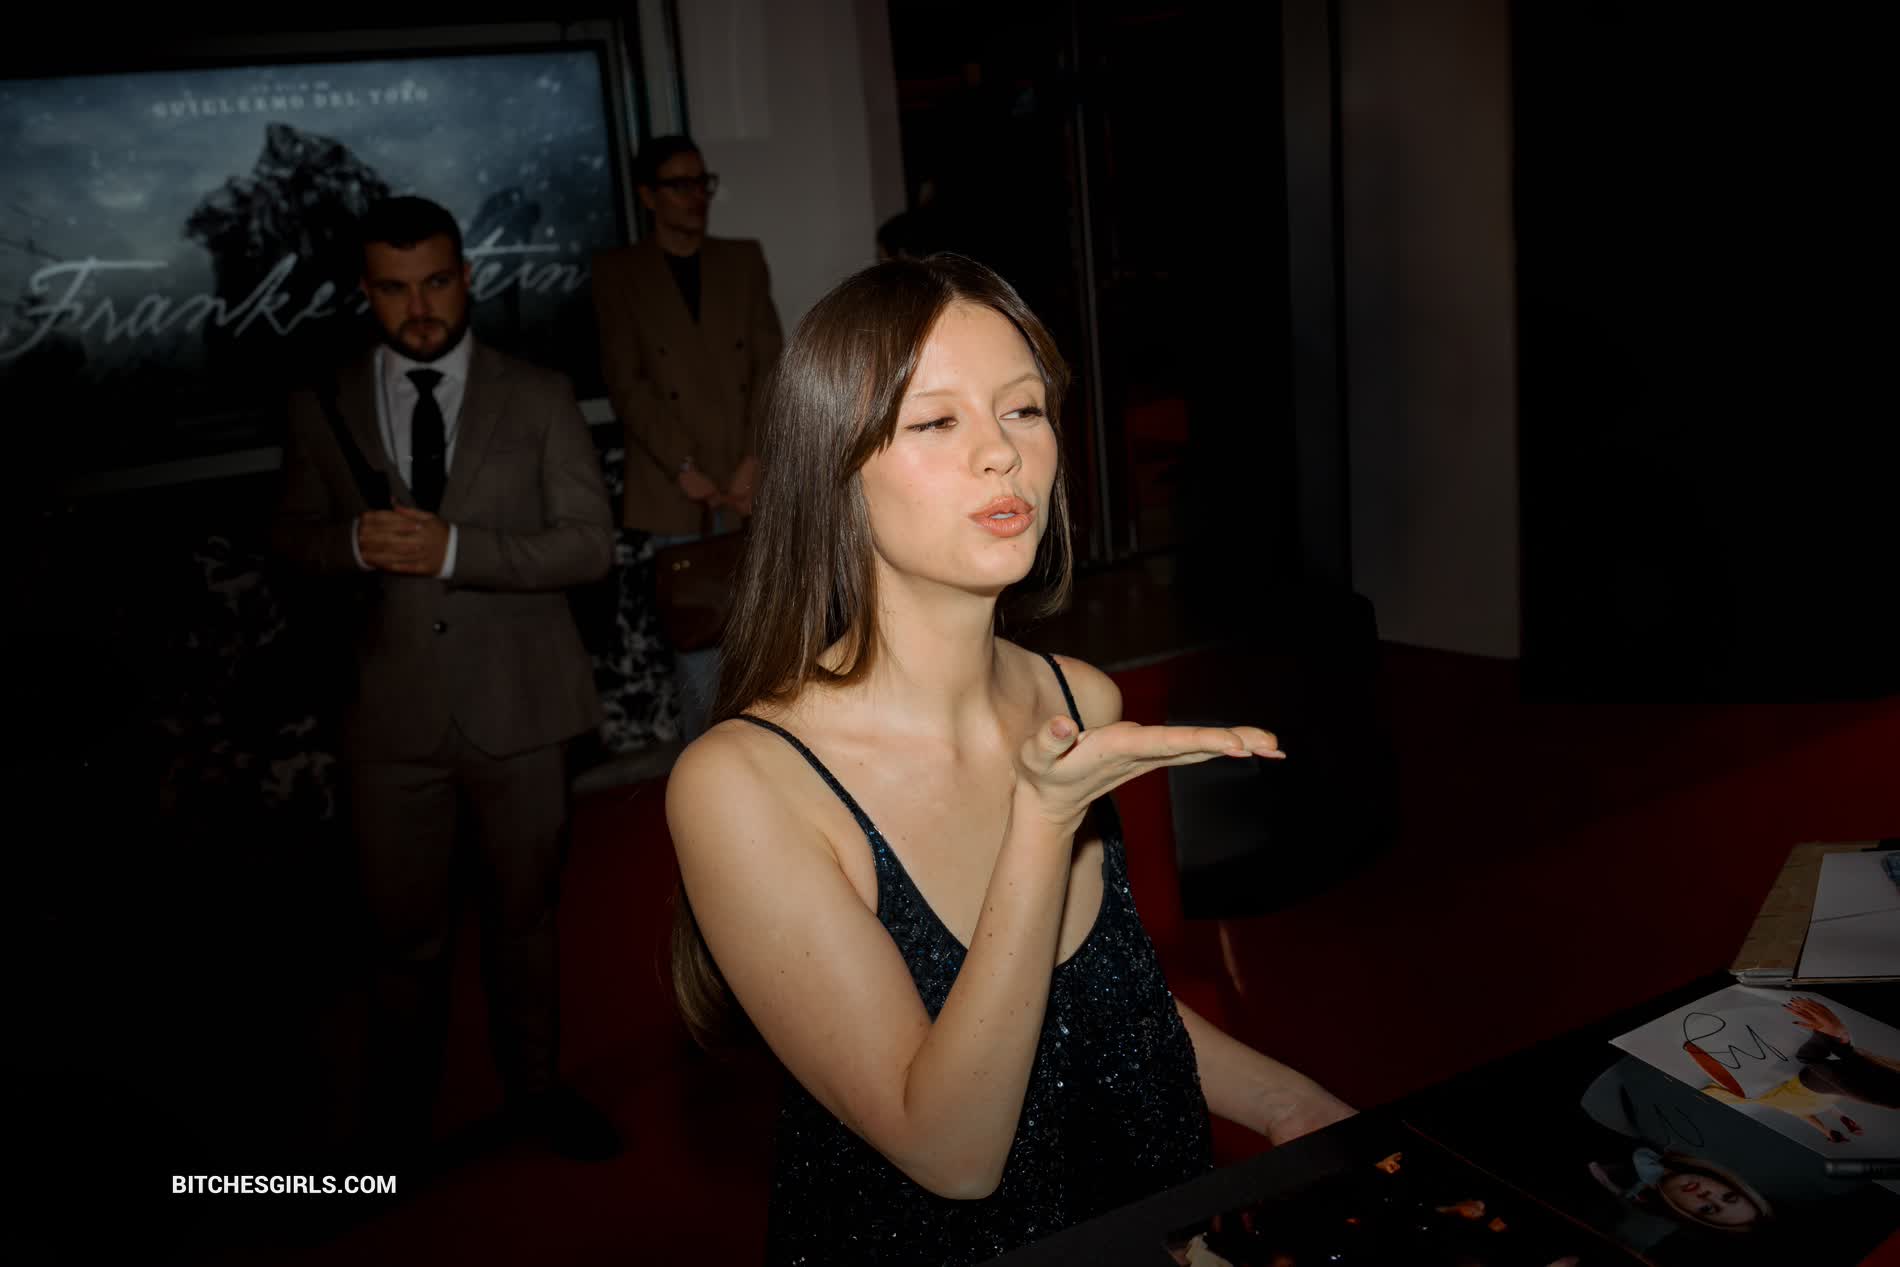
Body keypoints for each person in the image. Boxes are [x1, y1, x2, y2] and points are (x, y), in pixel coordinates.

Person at [666, 255, 1352, 1265]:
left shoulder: (1079, 700)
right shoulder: (745, 781)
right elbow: (950, 1152)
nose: (1001, 453)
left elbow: (1102, 1004)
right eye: (936, 421)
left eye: (1023, 409)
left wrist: (1290, 1102)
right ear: (833, 470)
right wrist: (1041, 818)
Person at [272, 195, 620, 1166]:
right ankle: (399, 1128)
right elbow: (288, 542)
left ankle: (536, 1093)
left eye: (434, 282)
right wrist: (350, 543)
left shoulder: (540, 392)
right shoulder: (320, 402)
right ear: (365, 291)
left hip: (523, 703)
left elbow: (590, 546)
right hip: (389, 716)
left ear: (466, 278)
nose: (418, 308)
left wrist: (457, 548)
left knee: (526, 919)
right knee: (400, 939)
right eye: (394, 289)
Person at [592, 135, 783, 742]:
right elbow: (627, 383)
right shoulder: (619, 273)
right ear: (648, 196)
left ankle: (776, 768)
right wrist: (683, 467)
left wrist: (753, 459)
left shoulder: (742, 259)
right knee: (699, 646)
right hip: (675, 486)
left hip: (749, 477)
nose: (696, 195)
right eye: (679, 185)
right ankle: (710, 779)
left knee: (771, 640)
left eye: (702, 182)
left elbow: (769, 364)